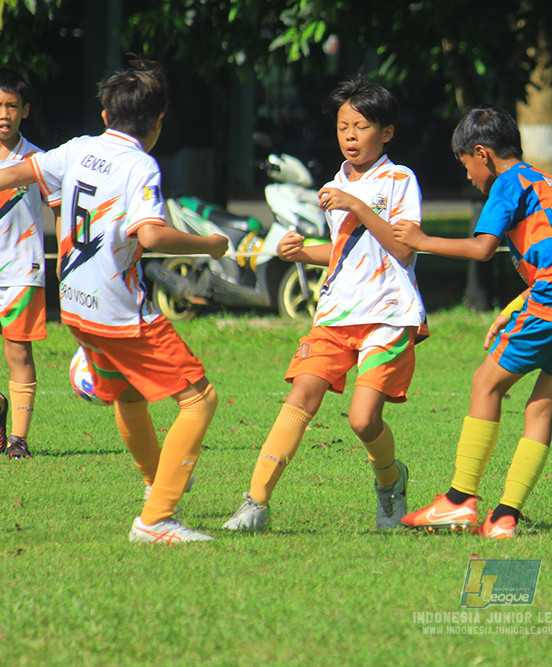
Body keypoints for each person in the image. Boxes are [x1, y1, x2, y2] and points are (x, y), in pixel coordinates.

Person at [0, 57, 229, 543]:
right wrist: (209, 244)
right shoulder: (140, 164)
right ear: (158, 121)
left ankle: (154, 488)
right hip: (119, 312)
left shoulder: (79, 148)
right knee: (200, 400)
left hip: (76, 308)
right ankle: (157, 519)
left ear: (105, 114)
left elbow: (13, 174)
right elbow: (150, 233)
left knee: (128, 393)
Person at [393, 106, 552, 539]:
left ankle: (459, 501)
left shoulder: (507, 183)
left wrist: (422, 241)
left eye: (465, 166)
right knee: (541, 409)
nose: (468, 177)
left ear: (482, 154)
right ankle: (504, 518)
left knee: (486, 384)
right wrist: (514, 308)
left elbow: (483, 249)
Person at [223, 75, 425, 532]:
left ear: (386, 132)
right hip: (336, 313)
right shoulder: (338, 181)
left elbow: (404, 249)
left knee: (362, 418)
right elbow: (343, 250)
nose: (350, 136)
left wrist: (355, 204)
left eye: (360, 127)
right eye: (342, 127)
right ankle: (255, 503)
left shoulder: (399, 180)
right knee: (300, 395)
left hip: (389, 314)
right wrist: (303, 252)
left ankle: (390, 480)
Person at [0, 68, 54, 460]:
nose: (3, 113)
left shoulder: (39, 161)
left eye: (11, 105)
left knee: (18, 353)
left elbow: (62, 210)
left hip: (21, 271)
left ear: (25, 110)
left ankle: (18, 439)